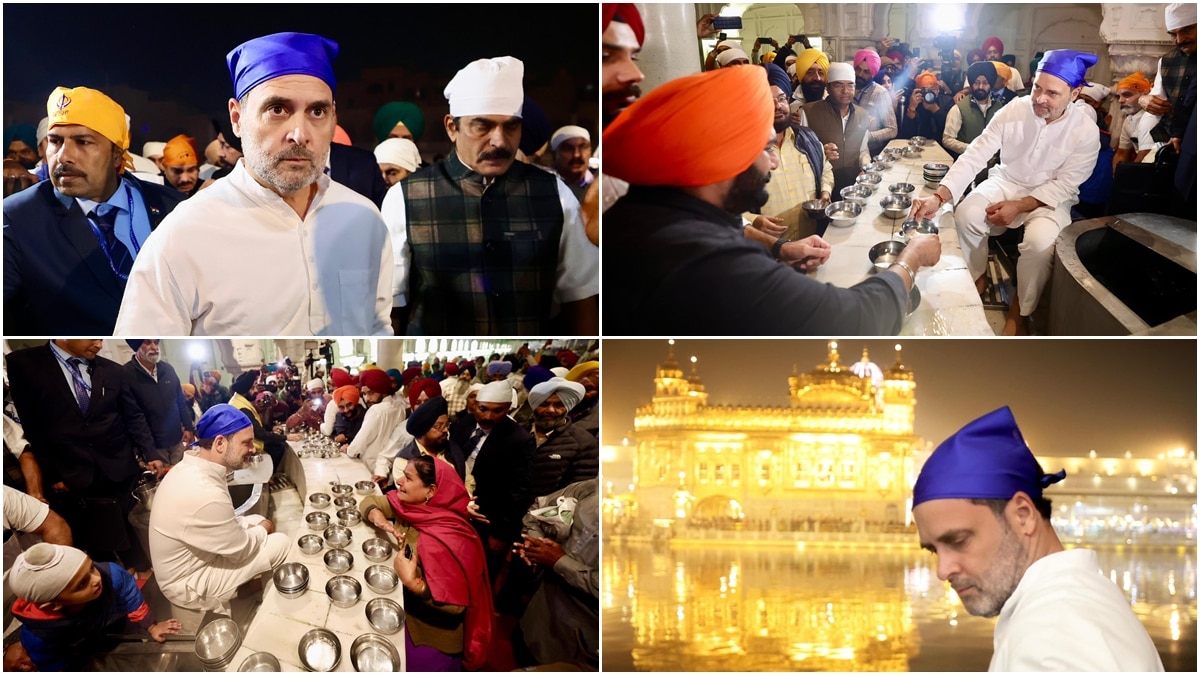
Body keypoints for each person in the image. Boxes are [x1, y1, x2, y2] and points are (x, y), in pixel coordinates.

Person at [603, 66, 941, 335]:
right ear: (724, 157)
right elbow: (857, 319)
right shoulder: (716, 264)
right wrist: (911, 257)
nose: (775, 161)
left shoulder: (651, 212)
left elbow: (733, 227)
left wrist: (779, 249)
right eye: (765, 149)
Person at [115, 32, 392, 335]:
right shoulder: (184, 234)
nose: (300, 133)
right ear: (237, 118)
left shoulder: (363, 219)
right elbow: (144, 347)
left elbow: (377, 328)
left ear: (333, 117)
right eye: (277, 109)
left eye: (317, 111)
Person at [911, 407, 1164, 671]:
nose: (942, 570)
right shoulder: (1081, 601)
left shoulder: (1054, 638)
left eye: (959, 540)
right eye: (933, 550)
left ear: (1023, 516)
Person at [381, 56, 599, 335]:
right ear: (451, 127)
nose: (499, 141)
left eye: (511, 126)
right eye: (482, 126)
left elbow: (578, 298)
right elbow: (390, 305)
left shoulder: (554, 193)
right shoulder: (406, 197)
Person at [910, 50, 1100, 336]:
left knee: (1039, 245)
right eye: (1037, 87)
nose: (1040, 99)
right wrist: (939, 197)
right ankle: (978, 276)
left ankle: (1020, 310)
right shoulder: (1015, 109)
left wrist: (1020, 205)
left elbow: (1067, 184)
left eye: (1052, 93)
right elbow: (976, 154)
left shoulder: (1085, 130)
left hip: (1050, 197)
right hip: (1007, 180)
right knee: (966, 214)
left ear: (1074, 94)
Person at [4, 87, 183, 335]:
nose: (64, 156)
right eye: (55, 141)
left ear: (118, 154)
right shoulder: (18, 217)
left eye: (83, 142)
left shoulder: (174, 207)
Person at [5, 340, 157, 575]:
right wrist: (54, 473)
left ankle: (141, 580)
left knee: (133, 534)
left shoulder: (113, 370)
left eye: (101, 338)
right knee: (95, 540)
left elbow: (133, 416)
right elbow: (33, 426)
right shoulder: (24, 364)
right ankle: (107, 585)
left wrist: (151, 454)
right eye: (92, 338)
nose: (99, 344)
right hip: (72, 472)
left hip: (118, 466)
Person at [148, 405, 290, 628]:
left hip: (194, 559)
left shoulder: (194, 466)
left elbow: (228, 523)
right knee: (280, 543)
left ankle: (249, 590)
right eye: (246, 442)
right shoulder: (205, 492)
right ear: (220, 443)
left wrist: (256, 525)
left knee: (253, 522)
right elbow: (240, 549)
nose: (253, 449)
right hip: (188, 581)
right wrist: (264, 527)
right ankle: (273, 616)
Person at [360, 455, 492, 671]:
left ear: (430, 491)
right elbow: (370, 501)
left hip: (431, 633)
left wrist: (415, 584)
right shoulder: (412, 509)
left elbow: (457, 606)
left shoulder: (448, 538)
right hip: (407, 611)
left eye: (408, 478)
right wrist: (379, 517)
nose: (399, 481)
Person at [8, 543, 183, 671]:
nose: (96, 579)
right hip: (78, 646)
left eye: (91, 567)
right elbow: (54, 664)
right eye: (82, 584)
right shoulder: (41, 637)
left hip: (113, 617)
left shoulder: (110, 574)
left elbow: (130, 594)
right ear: (54, 605)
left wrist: (151, 626)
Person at [744, 63, 835, 245]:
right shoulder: (743, 150)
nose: (778, 106)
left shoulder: (807, 137)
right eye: (767, 101)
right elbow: (722, 208)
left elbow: (826, 168)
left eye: (782, 99)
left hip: (810, 242)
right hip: (767, 251)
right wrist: (753, 221)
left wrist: (825, 192)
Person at [514, 478, 599, 669]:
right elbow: (537, 511)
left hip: (579, 640)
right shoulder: (592, 488)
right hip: (539, 611)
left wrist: (558, 561)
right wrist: (536, 544)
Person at [464, 380, 535, 580]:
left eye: (497, 411)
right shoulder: (467, 423)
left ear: (508, 409)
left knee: (482, 573)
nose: (488, 416)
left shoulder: (519, 440)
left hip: (491, 520)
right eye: (483, 409)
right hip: (462, 510)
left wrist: (501, 534)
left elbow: (518, 492)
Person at [798, 62, 871, 196]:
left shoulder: (862, 114)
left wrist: (865, 168)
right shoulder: (809, 112)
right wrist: (820, 152)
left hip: (853, 184)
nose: (845, 91)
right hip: (820, 186)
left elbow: (863, 150)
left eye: (850, 85)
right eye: (839, 85)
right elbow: (799, 153)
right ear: (828, 88)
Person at [122, 339, 195, 468]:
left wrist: (189, 427)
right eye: (148, 343)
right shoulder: (126, 374)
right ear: (136, 347)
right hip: (154, 446)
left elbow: (180, 401)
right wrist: (150, 453)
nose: (154, 347)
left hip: (177, 440)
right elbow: (134, 418)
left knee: (184, 476)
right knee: (163, 483)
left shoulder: (168, 369)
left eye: (156, 342)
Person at [526, 378, 597, 499]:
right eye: (544, 404)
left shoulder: (583, 442)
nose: (550, 410)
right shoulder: (517, 432)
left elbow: (578, 490)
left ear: (568, 407)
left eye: (558, 405)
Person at [1140, 3, 1196, 153]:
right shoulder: (1167, 61)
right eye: (1173, 34)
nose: (1180, 40)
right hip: (1173, 143)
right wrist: (1144, 100)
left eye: (1187, 30)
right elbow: (1158, 98)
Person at [343, 368, 409, 483]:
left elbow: (361, 441)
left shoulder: (376, 410)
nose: (367, 398)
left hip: (371, 470)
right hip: (390, 469)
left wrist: (349, 450)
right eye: (364, 394)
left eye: (371, 393)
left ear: (383, 391)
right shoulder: (400, 406)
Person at [942, 61, 1005, 162]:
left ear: (991, 84)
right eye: (976, 82)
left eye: (985, 82)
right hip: (966, 166)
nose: (980, 87)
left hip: (992, 170)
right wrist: (972, 149)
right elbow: (947, 139)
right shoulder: (959, 108)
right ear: (971, 84)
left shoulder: (998, 107)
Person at [396, 396, 467, 481]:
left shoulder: (454, 449)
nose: (446, 430)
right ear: (423, 430)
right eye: (438, 426)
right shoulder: (404, 460)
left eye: (447, 424)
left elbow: (468, 482)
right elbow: (411, 493)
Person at [853, 49, 899, 156]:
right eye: (858, 69)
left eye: (866, 72)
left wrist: (866, 136)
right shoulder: (847, 88)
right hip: (847, 152)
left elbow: (892, 130)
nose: (860, 75)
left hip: (872, 152)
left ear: (873, 73)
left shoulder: (880, 93)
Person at [1113, 72, 1155, 168]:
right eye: (1118, 96)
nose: (1120, 100)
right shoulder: (1129, 120)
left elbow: (1146, 154)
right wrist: (1116, 177)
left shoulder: (1151, 117)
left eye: (1127, 95)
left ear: (1145, 94)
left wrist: (1128, 176)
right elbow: (1122, 153)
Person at [899, 71, 953, 141]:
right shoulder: (915, 102)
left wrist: (935, 109)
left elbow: (950, 130)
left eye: (932, 89)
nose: (929, 93)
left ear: (938, 89)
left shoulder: (947, 101)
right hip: (919, 145)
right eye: (925, 90)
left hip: (941, 146)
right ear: (919, 91)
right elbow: (906, 135)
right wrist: (911, 108)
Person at [549, 126, 595, 203]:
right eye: (568, 148)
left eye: (583, 147)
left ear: (591, 151)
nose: (576, 155)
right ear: (554, 155)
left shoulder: (600, 185)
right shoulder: (545, 187)